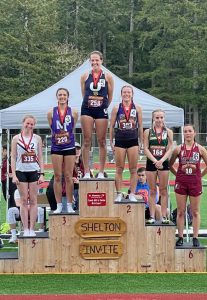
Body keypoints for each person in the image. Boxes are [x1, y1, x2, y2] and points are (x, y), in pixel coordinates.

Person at [169, 124, 207, 247]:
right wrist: (178, 175)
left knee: (195, 212)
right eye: (185, 131)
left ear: (194, 133)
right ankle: (180, 237)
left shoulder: (200, 149)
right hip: (181, 182)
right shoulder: (178, 149)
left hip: (195, 183)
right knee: (180, 211)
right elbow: (170, 165)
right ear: (183, 134)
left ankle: (195, 237)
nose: (187, 133)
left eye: (190, 131)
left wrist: (200, 176)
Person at [80, 50, 114, 179]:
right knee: (87, 140)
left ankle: (101, 171)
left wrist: (103, 105)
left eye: (97, 60)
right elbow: (84, 94)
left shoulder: (108, 76)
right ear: (90, 61)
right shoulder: (84, 76)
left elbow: (110, 95)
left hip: (101, 109)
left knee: (101, 141)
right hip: (87, 109)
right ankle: (87, 172)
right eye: (92, 60)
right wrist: (91, 103)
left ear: (101, 61)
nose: (94, 62)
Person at [11, 115, 44, 237]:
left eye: (32, 124)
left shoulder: (37, 138)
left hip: (34, 171)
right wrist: (14, 175)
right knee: (24, 201)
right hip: (21, 172)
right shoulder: (16, 139)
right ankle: (25, 229)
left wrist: (41, 174)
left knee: (34, 200)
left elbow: (40, 156)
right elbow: (13, 157)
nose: (29, 126)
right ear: (23, 123)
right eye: (27, 123)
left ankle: (32, 229)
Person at [109, 85, 143, 202]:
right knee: (119, 168)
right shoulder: (116, 108)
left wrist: (141, 142)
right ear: (121, 94)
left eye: (128, 92)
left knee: (133, 169)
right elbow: (112, 126)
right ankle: (119, 193)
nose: (126, 94)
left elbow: (140, 126)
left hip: (133, 140)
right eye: (124, 92)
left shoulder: (137, 108)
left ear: (132, 94)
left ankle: (132, 194)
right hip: (120, 140)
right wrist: (111, 141)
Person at [47, 88, 78, 214]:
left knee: (69, 176)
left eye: (64, 95)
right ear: (57, 97)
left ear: (67, 97)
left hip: (69, 146)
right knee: (58, 176)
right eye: (60, 95)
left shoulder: (74, 112)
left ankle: (69, 204)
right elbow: (52, 128)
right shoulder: (51, 112)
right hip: (56, 147)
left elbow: (73, 126)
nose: (62, 97)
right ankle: (59, 205)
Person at [143, 109, 173, 224]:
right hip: (151, 162)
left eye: (161, 117)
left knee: (163, 190)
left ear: (164, 118)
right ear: (153, 119)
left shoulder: (169, 132)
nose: (159, 120)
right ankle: (151, 216)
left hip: (163, 162)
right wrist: (155, 160)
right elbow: (145, 148)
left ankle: (164, 216)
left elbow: (170, 148)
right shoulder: (148, 132)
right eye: (157, 118)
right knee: (152, 190)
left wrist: (162, 160)